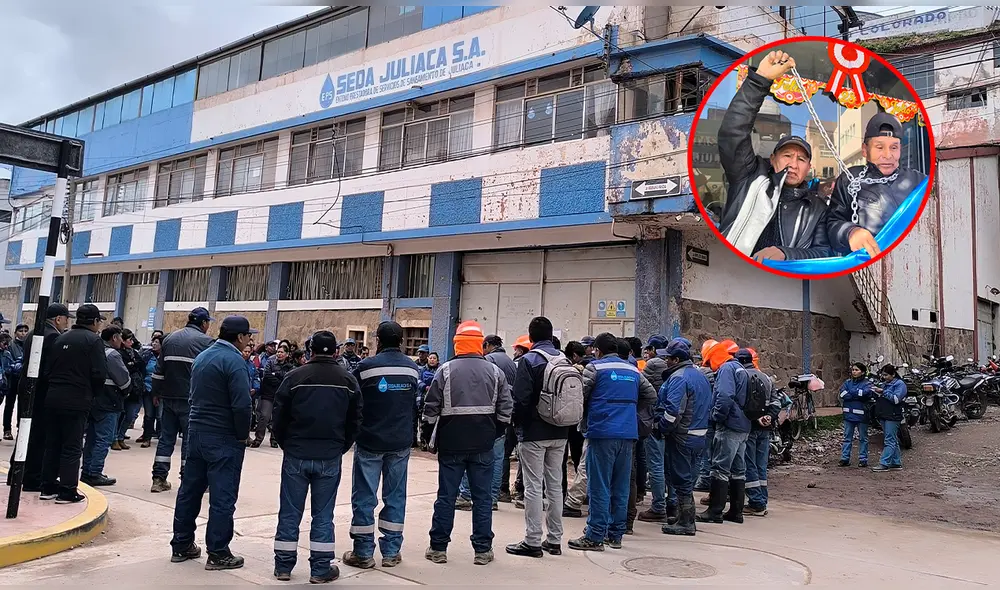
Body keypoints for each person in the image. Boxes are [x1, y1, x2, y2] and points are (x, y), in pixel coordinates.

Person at [717, 50, 832, 262]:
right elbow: (733, 133)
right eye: (787, 155)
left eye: (801, 159)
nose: (793, 164)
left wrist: (786, 254)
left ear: (809, 168)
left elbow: (824, 252)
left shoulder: (817, 208)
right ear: (773, 159)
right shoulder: (750, 179)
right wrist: (759, 80)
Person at [270, 330, 360, 583]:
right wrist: (341, 446)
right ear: (336, 351)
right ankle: (320, 569)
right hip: (329, 455)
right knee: (323, 515)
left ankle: (283, 566)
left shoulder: (294, 377)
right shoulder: (347, 380)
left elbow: (279, 415)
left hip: (297, 453)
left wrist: (287, 444)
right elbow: (355, 419)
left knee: (290, 512)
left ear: (310, 351)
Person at [421, 320, 512, 566]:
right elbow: (506, 409)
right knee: (482, 498)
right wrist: (495, 432)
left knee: (446, 496)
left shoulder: (445, 370)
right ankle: (482, 550)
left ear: (457, 344)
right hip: (483, 443)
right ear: (479, 344)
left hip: (451, 443)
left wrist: (428, 436)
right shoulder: (495, 372)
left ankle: (438, 548)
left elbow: (430, 408)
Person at [170, 316, 255, 571]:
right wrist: (242, 435)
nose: (250, 340)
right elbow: (242, 405)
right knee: (222, 496)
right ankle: (218, 552)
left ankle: (181, 544)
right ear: (239, 337)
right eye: (248, 335)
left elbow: (193, 395)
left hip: (196, 432)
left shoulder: (203, 357)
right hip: (223, 436)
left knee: (190, 491)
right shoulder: (235, 362)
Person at [568, 333, 656, 552]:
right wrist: (627, 408)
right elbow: (651, 395)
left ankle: (594, 535)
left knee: (599, 485)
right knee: (620, 486)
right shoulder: (633, 370)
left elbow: (581, 396)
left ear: (598, 350)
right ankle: (615, 535)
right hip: (627, 433)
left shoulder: (594, 368)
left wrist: (593, 411)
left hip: (602, 432)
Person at [344, 322, 418, 570]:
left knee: (365, 496)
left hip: (370, 440)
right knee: (395, 496)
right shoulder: (412, 368)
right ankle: (392, 552)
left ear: (378, 340)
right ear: (401, 341)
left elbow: (354, 401)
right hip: (400, 441)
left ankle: (363, 553)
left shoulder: (365, 367)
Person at [506, 317, 576, 558]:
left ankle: (532, 540)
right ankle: (555, 540)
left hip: (534, 432)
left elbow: (521, 400)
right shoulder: (564, 359)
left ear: (531, 337)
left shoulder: (529, 360)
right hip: (561, 430)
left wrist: (517, 426)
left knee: (533, 487)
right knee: (555, 485)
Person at [827, 113, 929, 257]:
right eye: (879, 147)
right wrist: (849, 232)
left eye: (894, 148)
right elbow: (833, 222)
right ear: (865, 150)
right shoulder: (850, 179)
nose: (887, 155)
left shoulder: (919, 181)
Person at [39, 304, 107, 504]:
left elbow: (48, 369)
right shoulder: (93, 341)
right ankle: (67, 491)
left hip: (53, 397)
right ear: (95, 321)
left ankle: (47, 486)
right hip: (77, 399)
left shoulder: (61, 338)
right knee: (72, 446)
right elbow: (100, 373)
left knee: (52, 444)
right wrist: (93, 394)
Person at [151, 307, 215, 493]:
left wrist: (156, 393)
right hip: (191, 400)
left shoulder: (170, 338)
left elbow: (159, 371)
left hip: (168, 397)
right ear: (204, 323)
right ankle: (188, 479)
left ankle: (158, 478)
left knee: (166, 438)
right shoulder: (206, 342)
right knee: (189, 440)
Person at [12, 304, 71, 492]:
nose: (67, 323)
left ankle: (16, 472)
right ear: (58, 319)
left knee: (26, 432)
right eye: (66, 319)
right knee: (39, 435)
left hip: (28, 387)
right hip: (40, 391)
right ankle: (33, 478)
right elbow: (49, 367)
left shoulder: (34, 333)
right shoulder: (52, 336)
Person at [656, 339, 713, 536]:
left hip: (682, 435)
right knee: (689, 477)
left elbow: (673, 412)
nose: (665, 361)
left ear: (676, 359)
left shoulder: (678, 378)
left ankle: (686, 521)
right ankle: (684, 517)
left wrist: (661, 428)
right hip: (700, 434)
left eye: (668, 358)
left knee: (681, 478)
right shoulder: (700, 376)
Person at [457, 335, 517, 510]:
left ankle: (465, 495)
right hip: (503, 418)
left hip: (485, 418)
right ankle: (492, 499)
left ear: (488, 345)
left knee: (472, 456)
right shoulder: (511, 362)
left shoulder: (488, 361)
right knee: (498, 460)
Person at [697, 342, 751, 525]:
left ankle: (715, 511)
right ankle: (736, 511)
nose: (709, 367)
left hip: (729, 425)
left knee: (719, 468)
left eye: (708, 362)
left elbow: (725, 395)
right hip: (743, 425)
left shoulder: (726, 369)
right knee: (738, 470)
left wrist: (716, 417)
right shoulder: (740, 368)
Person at [80, 326, 131, 487]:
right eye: (120, 337)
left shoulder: (94, 350)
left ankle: (87, 470)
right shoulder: (112, 354)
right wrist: (127, 390)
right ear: (114, 338)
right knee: (104, 438)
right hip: (109, 401)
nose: (121, 341)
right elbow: (123, 379)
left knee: (91, 438)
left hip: (92, 400)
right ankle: (95, 472)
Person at [638, 335, 676, 524]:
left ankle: (658, 506)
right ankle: (673, 503)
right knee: (671, 465)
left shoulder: (653, 364)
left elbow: (641, 386)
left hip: (654, 418)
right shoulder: (678, 369)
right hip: (672, 422)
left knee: (656, 465)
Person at [740, 349, 781, 517]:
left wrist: (756, 418)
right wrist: (769, 417)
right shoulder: (766, 377)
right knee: (761, 465)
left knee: (749, 464)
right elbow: (776, 403)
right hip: (765, 429)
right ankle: (762, 499)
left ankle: (756, 502)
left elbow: (742, 404)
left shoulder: (742, 377)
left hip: (749, 427)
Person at [255, 344, 294, 448]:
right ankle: (258, 438)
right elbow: (267, 376)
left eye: (282, 352)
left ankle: (274, 439)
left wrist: (276, 374)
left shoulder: (290, 366)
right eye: (278, 352)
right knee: (264, 416)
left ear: (287, 354)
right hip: (268, 394)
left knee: (277, 418)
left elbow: (288, 378)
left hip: (281, 395)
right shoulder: (270, 362)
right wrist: (280, 379)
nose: (279, 354)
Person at [113, 329, 145, 451]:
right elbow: (124, 368)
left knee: (130, 415)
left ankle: (121, 436)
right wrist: (132, 365)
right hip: (122, 388)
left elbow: (141, 365)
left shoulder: (134, 352)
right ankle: (114, 439)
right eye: (129, 340)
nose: (131, 342)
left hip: (134, 389)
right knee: (118, 415)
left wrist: (133, 364)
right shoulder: (118, 353)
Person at [839, 362, 874, 468]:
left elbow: (866, 393)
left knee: (863, 438)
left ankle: (863, 459)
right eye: (853, 370)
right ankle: (845, 458)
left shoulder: (867, 383)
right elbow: (842, 394)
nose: (854, 372)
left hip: (862, 415)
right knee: (847, 437)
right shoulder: (847, 382)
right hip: (848, 415)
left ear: (862, 372)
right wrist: (857, 393)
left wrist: (851, 393)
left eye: (856, 370)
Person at [872, 364, 906, 473]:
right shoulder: (884, 384)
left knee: (889, 440)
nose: (884, 377)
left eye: (886, 375)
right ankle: (896, 462)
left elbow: (896, 399)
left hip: (893, 415)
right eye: (883, 375)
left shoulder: (900, 384)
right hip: (884, 414)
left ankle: (884, 463)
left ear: (893, 374)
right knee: (892, 439)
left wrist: (883, 392)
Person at [136, 335, 162, 448]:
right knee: (148, 415)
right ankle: (147, 438)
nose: (154, 344)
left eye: (157, 342)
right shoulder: (147, 356)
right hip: (147, 388)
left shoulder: (165, 357)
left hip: (161, 391)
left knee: (160, 416)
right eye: (153, 342)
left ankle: (162, 438)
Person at [415, 352, 439, 449]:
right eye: (431, 358)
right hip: (423, 399)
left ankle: (433, 443)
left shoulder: (440, 370)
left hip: (436, 399)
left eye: (434, 358)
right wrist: (425, 387)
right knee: (423, 422)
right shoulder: (422, 370)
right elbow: (418, 381)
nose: (432, 360)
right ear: (428, 359)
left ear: (437, 360)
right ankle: (423, 442)